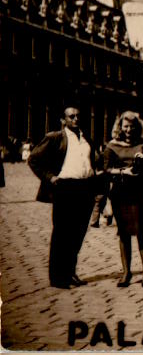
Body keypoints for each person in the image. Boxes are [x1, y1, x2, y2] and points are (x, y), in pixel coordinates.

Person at [28, 107, 100, 288]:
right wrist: (50, 177)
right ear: (63, 119)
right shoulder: (55, 137)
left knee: (78, 233)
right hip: (65, 188)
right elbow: (33, 159)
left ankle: (70, 272)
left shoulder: (86, 138)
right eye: (71, 116)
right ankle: (57, 277)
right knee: (62, 233)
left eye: (78, 116)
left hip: (85, 189)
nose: (76, 119)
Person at [104, 111, 143, 288]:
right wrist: (122, 172)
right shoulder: (112, 146)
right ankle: (126, 272)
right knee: (124, 233)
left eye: (132, 126)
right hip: (121, 192)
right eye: (125, 126)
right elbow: (106, 169)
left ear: (137, 127)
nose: (129, 129)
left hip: (140, 192)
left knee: (142, 231)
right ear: (120, 127)